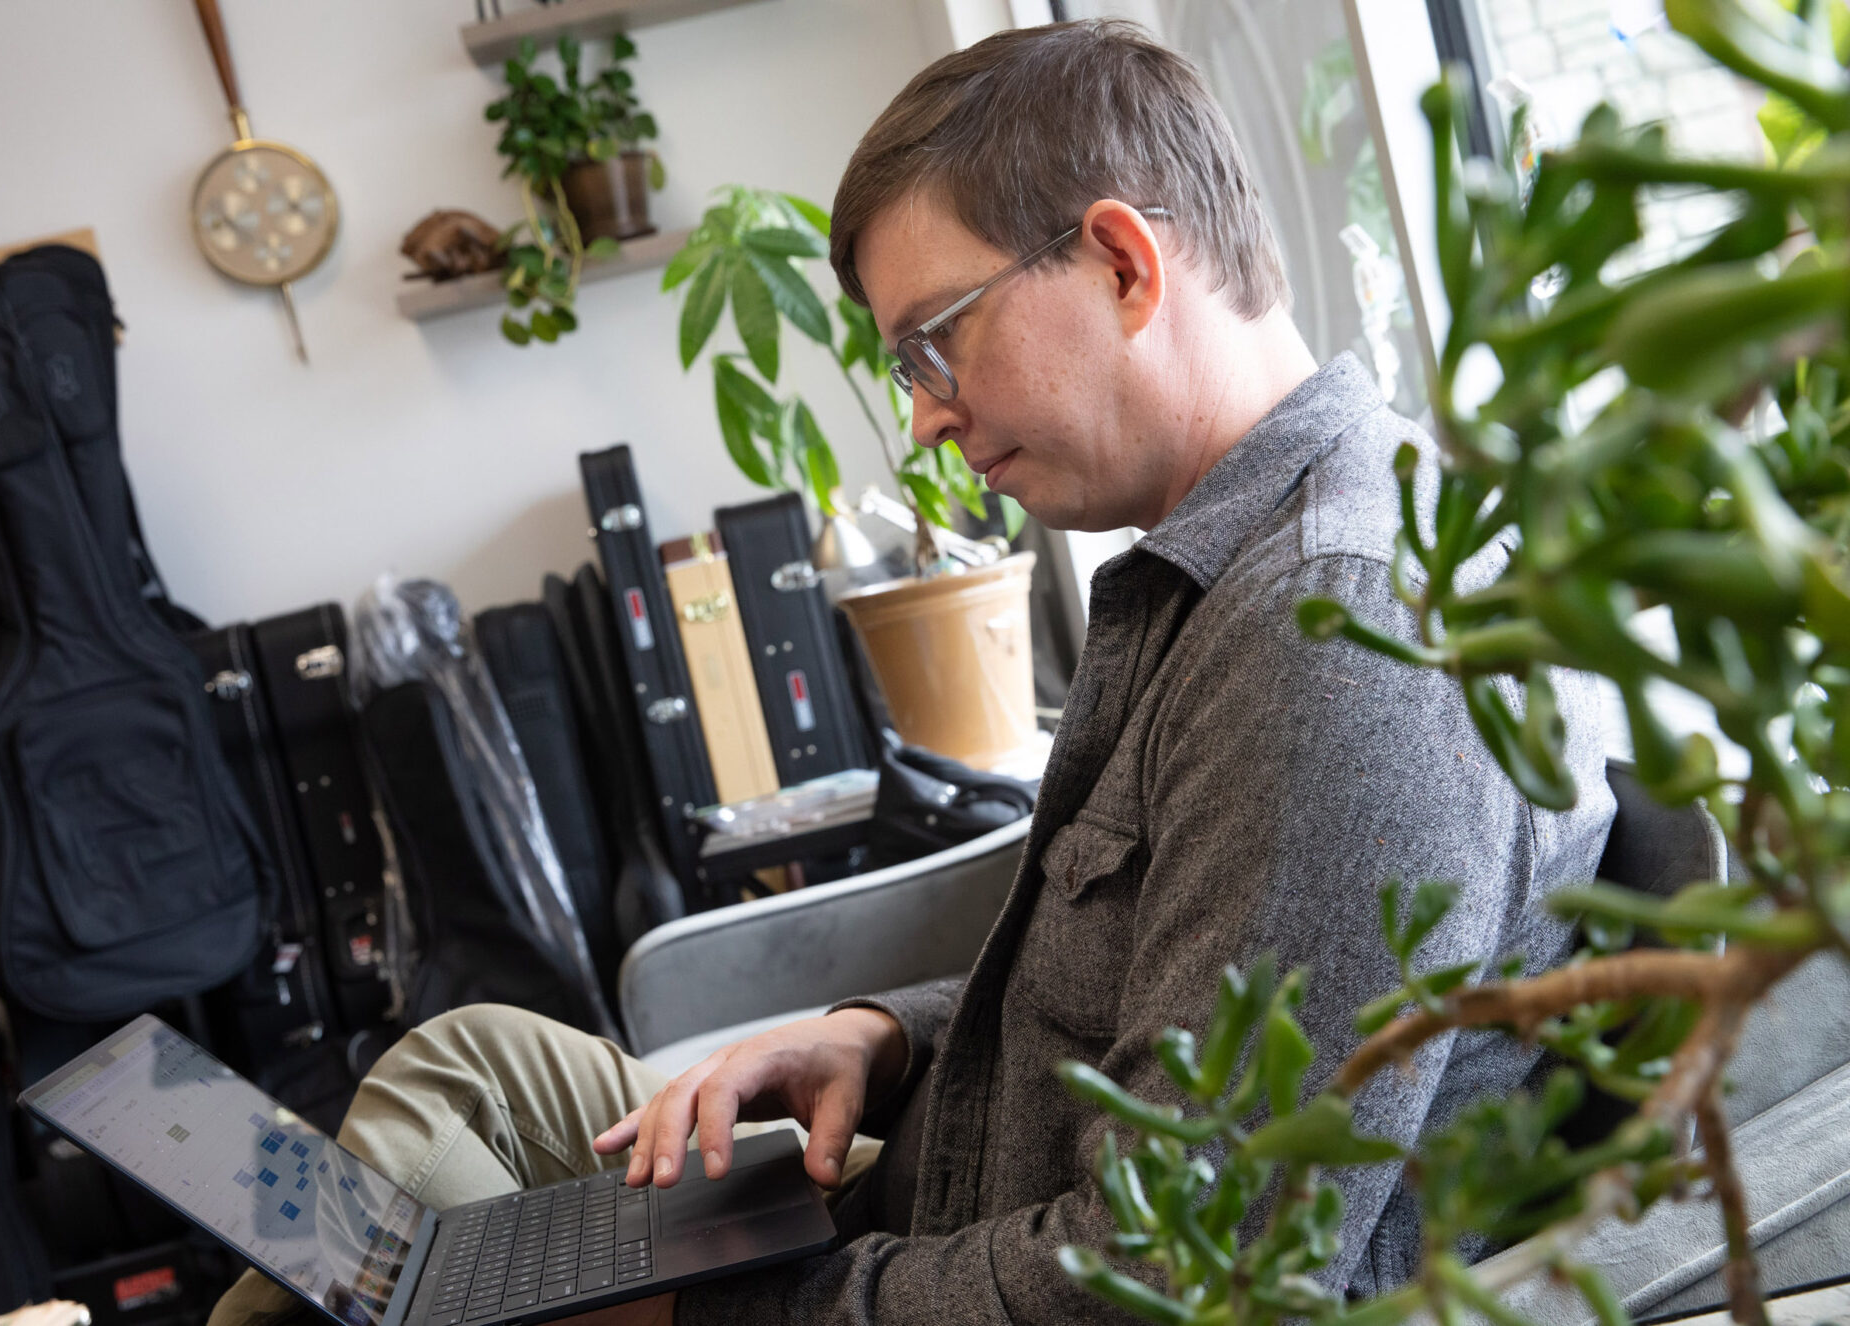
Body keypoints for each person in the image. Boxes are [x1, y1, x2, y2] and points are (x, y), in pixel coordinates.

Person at [209, 18, 1613, 1326]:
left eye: (937, 342)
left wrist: (720, 1307)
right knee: (465, 1069)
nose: (929, 419)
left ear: (1123, 265)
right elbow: (1137, 998)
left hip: (965, 1272)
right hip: (938, 1187)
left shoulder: (1332, 640)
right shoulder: (1223, 571)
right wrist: (880, 1037)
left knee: (388, 1282)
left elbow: (1178, 1272)